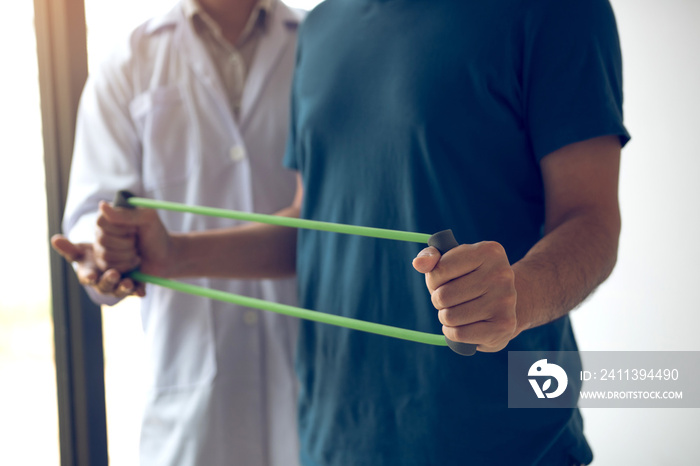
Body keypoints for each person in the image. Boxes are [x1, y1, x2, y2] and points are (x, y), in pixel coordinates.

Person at [91, 0, 629, 464]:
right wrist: (174, 256)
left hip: (504, 442)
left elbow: (591, 218)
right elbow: (314, 224)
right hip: (334, 441)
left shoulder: (557, 9)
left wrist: (520, 295)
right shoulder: (321, 29)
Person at [50, 0, 303, 464]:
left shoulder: (314, 43)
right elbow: (94, 211)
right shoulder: (128, 60)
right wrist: (102, 250)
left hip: (311, 383)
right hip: (191, 400)